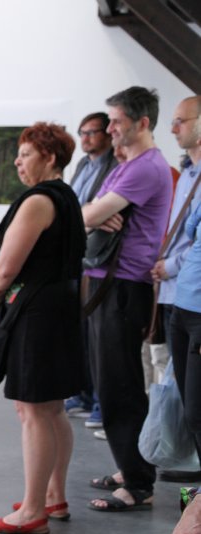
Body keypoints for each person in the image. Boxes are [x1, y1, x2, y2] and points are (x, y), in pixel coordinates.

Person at [0, 122, 84, 534]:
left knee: (34, 411)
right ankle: (53, 497)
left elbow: (8, 267)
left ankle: (32, 511)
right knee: (52, 408)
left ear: (50, 158)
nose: (17, 162)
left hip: (37, 313)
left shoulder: (39, 200)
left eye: (25, 154)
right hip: (58, 309)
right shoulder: (66, 197)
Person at [82, 86, 172, 512]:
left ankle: (138, 483)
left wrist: (93, 215)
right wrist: (93, 214)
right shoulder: (127, 166)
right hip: (109, 284)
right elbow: (91, 209)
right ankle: (128, 465)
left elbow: (87, 214)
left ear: (142, 122)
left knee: (120, 385)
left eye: (117, 121)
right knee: (111, 382)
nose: (110, 129)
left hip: (123, 287)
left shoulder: (146, 168)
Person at [65, 112, 116, 420]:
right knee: (80, 331)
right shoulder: (84, 165)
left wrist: (89, 215)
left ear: (107, 134)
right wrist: (86, 215)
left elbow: (102, 210)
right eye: (81, 132)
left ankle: (100, 403)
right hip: (78, 255)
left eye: (91, 132)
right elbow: (75, 207)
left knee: (100, 338)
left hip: (101, 259)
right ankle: (82, 394)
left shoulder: (116, 165)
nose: (84, 138)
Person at [167, 96, 201, 474]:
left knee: (197, 412)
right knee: (191, 412)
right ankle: (195, 499)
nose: (174, 128)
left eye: (182, 120)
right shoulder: (190, 174)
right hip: (183, 303)